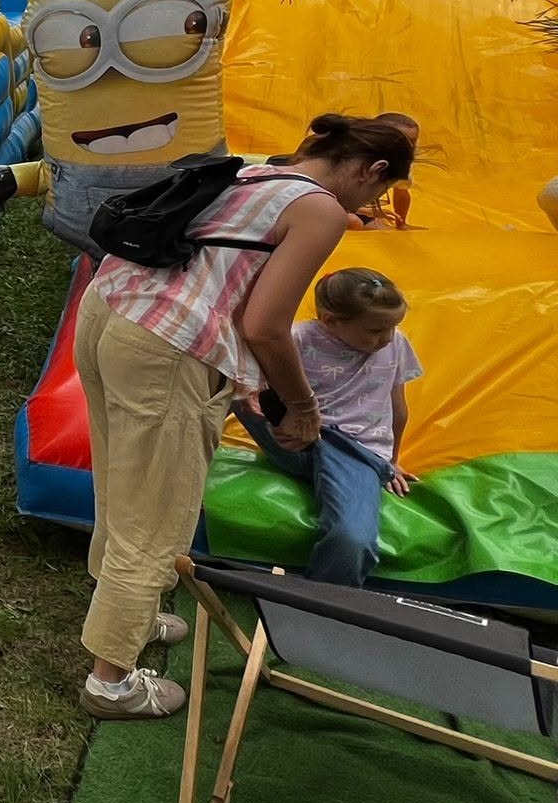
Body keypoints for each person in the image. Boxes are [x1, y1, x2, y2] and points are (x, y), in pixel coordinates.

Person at [73, 113, 417, 719]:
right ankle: (111, 682)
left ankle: (132, 614)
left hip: (109, 307)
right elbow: (265, 325)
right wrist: (302, 406)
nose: (368, 207)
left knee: (121, 479)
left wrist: (241, 379)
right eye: (379, 191)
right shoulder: (320, 210)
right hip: (166, 344)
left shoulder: (257, 171)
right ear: (373, 170)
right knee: (155, 516)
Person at [236, 269, 422, 587]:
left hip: (354, 452)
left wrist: (391, 461)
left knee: (352, 540)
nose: (388, 337)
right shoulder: (297, 339)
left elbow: (398, 407)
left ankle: (322, 597)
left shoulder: (395, 346)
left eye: (393, 326)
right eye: (376, 330)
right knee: (226, 380)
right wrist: (249, 393)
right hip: (295, 439)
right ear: (330, 320)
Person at [352, 112, 418, 229]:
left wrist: (401, 223)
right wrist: (365, 211)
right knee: (354, 222)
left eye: (413, 141)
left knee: (376, 226)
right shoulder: (358, 158)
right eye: (403, 140)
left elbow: (401, 192)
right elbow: (335, 192)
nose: (410, 146)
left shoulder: (401, 164)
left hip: (357, 208)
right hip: (331, 201)